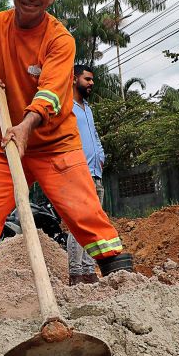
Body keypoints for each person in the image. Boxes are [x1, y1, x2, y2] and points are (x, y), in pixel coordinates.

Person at [0, 0, 128, 284]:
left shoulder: (59, 40)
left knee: (86, 214)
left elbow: (51, 92)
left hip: (55, 145)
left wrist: (26, 126)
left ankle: (124, 282)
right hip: (4, 142)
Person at [66, 65, 105, 285]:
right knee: (78, 223)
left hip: (95, 173)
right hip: (77, 173)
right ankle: (76, 273)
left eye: (92, 80)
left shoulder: (87, 108)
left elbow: (95, 136)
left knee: (93, 224)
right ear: (74, 79)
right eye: (87, 79)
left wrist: (101, 156)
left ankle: (89, 270)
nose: (91, 83)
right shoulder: (66, 107)